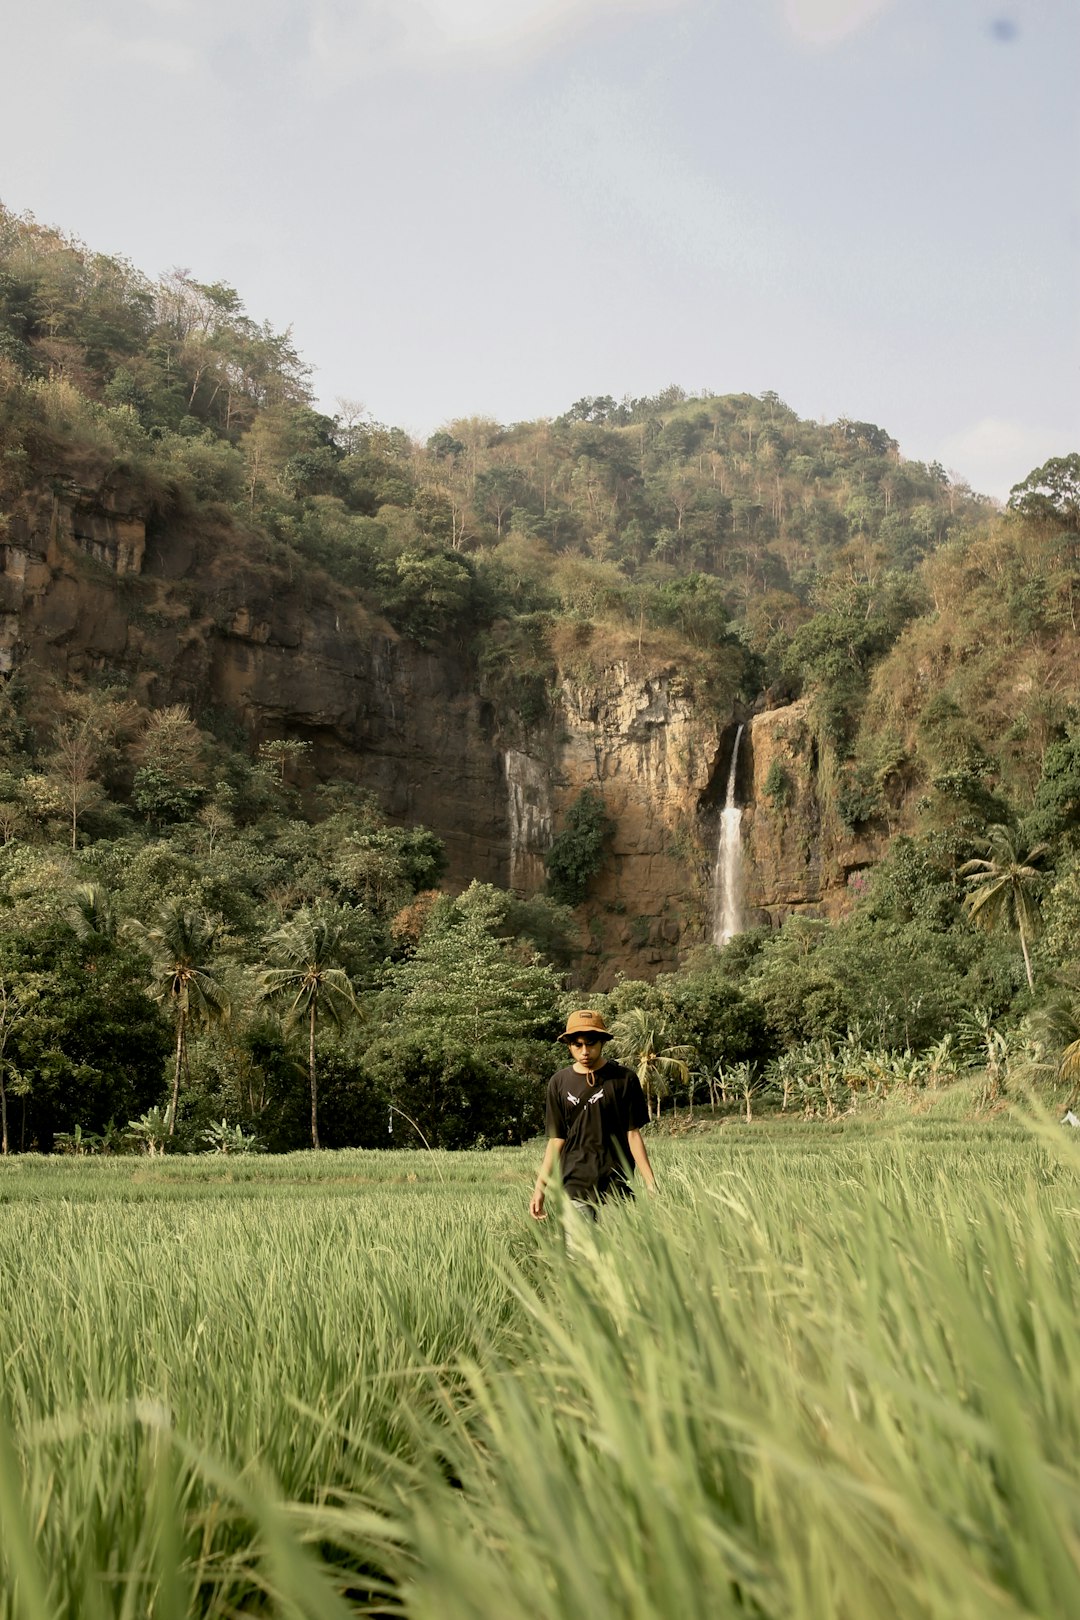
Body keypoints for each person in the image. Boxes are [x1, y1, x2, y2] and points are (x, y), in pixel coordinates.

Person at [530, 1009, 656, 1220]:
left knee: (618, 1250)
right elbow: (556, 1140)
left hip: (616, 1184)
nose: (585, 1051)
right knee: (579, 1252)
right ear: (569, 1045)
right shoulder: (559, 1083)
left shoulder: (624, 1079)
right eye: (578, 1045)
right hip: (574, 1183)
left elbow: (633, 1134)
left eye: (591, 1044)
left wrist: (651, 1183)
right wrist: (539, 1189)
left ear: (602, 1043)